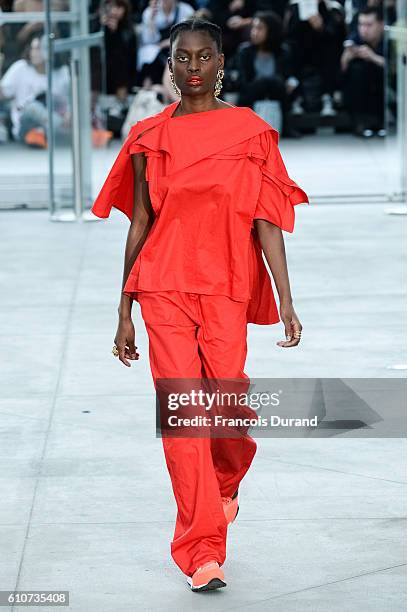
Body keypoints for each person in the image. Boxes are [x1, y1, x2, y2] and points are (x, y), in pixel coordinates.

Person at [91, 17, 309, 592]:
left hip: (225, 285)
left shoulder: (250, 133)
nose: (192, 69)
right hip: (163, 283)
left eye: (204, 57)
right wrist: (123, 307)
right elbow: (140, 221)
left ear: (220, 64)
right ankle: (201, 549)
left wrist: (286, 299)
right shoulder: (148, 137)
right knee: (186, 418)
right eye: (182, 58)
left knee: (226, 405)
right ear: (169, 66)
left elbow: (266, 220)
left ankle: (226, 480)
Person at [340, 6, 385, 137]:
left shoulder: (388, 40)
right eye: (361, 24)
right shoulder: (355, 38)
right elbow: (342, 68)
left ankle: (381, 120)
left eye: (369, 25)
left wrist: (373, 57)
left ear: (381, 25)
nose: (364, 30)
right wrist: (347, 57)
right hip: (361, 88)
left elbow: (396, 70)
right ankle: (360, 121)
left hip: (383, 86)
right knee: (356, 69)